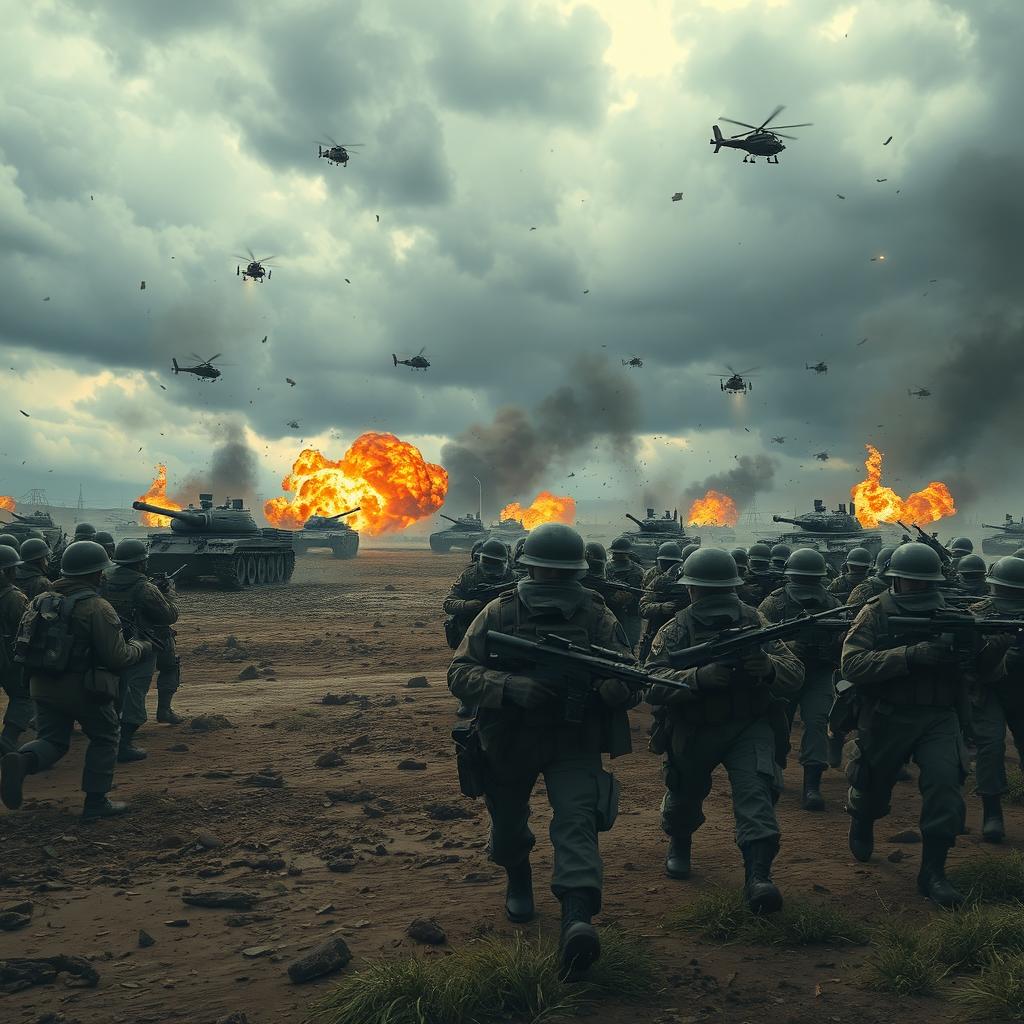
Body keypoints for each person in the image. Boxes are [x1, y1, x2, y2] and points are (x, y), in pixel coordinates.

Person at [448, 523, 639, 981]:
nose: (553, 582)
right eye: (545, 572)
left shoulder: (597, 615)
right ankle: (518, 876)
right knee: (509, 825)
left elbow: (629, 676)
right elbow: (460, 673)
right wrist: (511, 686)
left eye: (562, 575)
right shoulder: (498, 613)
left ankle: (576, 917)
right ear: (528, 568)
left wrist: (615, 688)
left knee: (577, 822)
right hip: (510, 738)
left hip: (574, 738)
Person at [644, 548, 803, 912]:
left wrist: (766, 667)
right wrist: (698, 677)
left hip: (750, 724)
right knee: (685, 796)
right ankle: (680, 842)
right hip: (694, 728)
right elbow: (649, 683)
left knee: (757, 795)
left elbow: (794, 674)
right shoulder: (676, 629)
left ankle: (758, 876)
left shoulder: (756, 623)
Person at [840, 542, 989, 907]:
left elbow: (982, 672)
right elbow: (852, 665)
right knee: (871, 783)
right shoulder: (875, 612)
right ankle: (863, 818)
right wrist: (910, 655)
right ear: (895, 579)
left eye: (925, 582)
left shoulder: (953, 613)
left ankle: (933, 872)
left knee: (945, 786)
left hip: (939, 715)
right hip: (888, 714)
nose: (919, 588)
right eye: (911, 581)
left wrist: (986, 647)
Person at [0, 541, 151, 818]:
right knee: (106, 737)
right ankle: (96, 803)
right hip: (83, 687)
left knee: (53, 740)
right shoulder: (96, 607)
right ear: (95, 574)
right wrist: (141, 647)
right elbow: (117, 657)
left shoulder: (40, 600)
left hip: (41, 684)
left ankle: (21, 762)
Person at [758, 548, 844, 811]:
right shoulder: (774, 604)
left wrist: (833, 645)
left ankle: (812, 785)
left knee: (817, 722)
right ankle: (774, 771)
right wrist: (790, 647)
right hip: (783, 674)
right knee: (778, 726)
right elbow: (758, 637)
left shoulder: (833, 605)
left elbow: (846, 641)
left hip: (818, 673)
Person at [101, 539, 178, 762]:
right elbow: (169, 616)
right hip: (140, 644)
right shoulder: (145, 588)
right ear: (140, 564)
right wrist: (169, 593)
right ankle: (124, 743)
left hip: (107, 640)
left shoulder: (103, 579)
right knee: (135, 689)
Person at [967, 556, 1024, 842]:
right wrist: (993, 651)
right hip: (988, 691)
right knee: (990, 746)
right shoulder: (976, 614)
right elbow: (966, 663)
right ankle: (992, 813)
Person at [443, 538, 518, 719]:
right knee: (469, 664)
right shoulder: (469, 576)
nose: (491, 567)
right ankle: (468, 699)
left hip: (503, 626)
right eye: (488, 562)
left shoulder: (514, 579)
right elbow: (448, 603)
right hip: (471, 627)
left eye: (496, 563)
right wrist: (468, 605)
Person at [0, 546, 33, 755]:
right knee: (23, 696)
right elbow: (25, 629)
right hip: (8, 657)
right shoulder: (14, 598)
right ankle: (8, 739)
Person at [637, 543, 692, 661]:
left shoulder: (695, 583)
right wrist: (662, 607)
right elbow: (642, 608)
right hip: (657, 633)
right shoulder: (660, 580)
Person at [606, 537, 645, 649]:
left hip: (630, 613)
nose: (617, 556)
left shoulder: (638, 571)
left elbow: (643, 594)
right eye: (617, 553)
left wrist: (630, 597)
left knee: (629, 644)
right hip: (613, 612)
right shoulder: (606, 568)